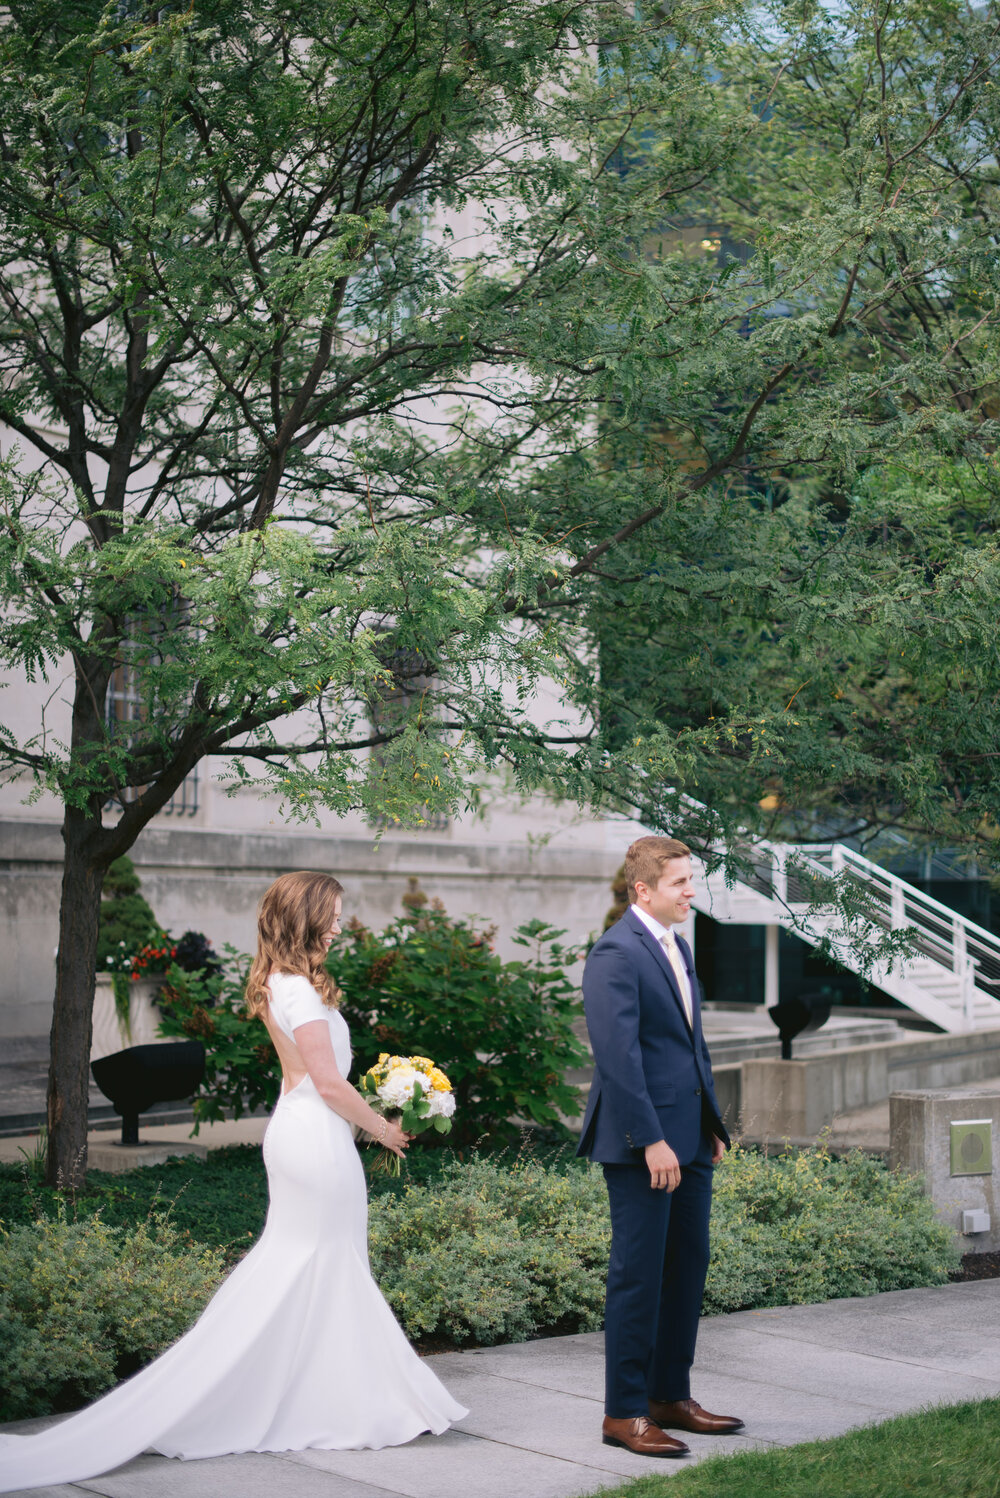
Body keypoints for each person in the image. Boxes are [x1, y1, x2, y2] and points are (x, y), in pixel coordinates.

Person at [0, 870, 467, 1494]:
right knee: (320, 1262)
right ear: (302, 918)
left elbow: (307, 1083)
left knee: (309, 1264)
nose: (336, 925)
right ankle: (322, 1401)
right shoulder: (298, 989)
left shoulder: (283, 982)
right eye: (329, 914)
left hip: (307, 1133)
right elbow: (327, 1084)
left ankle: (308, 1395)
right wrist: (382, 1128)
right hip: (315, 1139)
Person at [577, 835, 744, 1458]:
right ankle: (623, 1414)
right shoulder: (615, 954)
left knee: (686, 1270)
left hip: (691, 1139)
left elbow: (689, 1046)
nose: (691, 891)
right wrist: (651, 1140)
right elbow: (619, 1061)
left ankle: (669, 1396)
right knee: (638, 1277)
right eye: (680, 882)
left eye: (690, 879)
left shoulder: (676, 945)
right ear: (643, 889)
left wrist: (710, 1127)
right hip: (641, 1143)